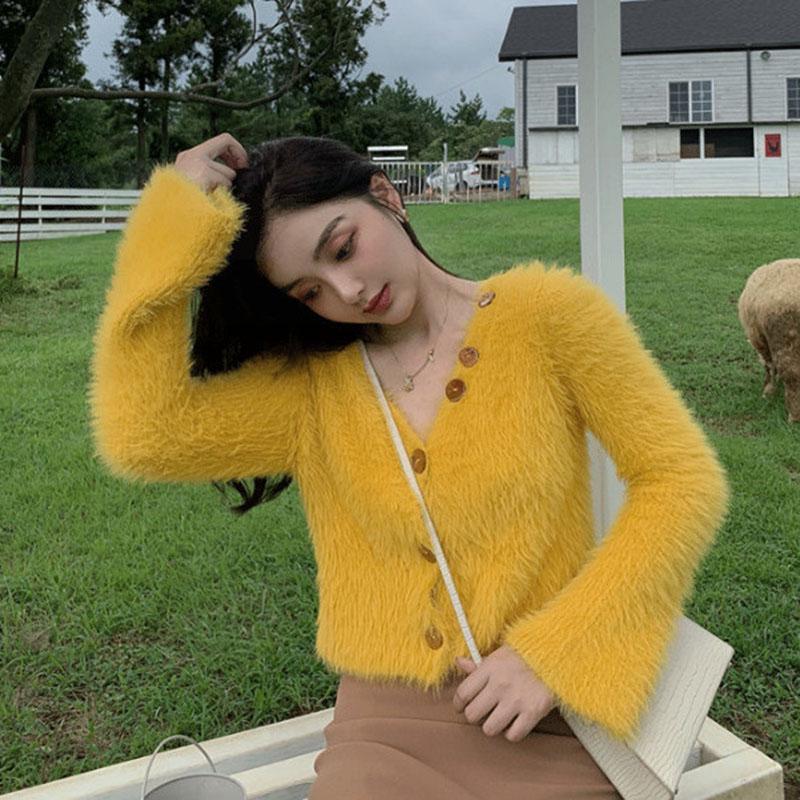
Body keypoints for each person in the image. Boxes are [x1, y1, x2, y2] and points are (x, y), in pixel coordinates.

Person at [88, 132, 731, 799]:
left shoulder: (549, 316)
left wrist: (556, 655)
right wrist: (172, 222)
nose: (346, 290)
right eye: (310, 290)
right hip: (386, 729)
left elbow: (680, 479)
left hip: (561, 708)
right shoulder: (313, 391)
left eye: (343, 248)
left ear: (386, 196)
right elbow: (144, 434)